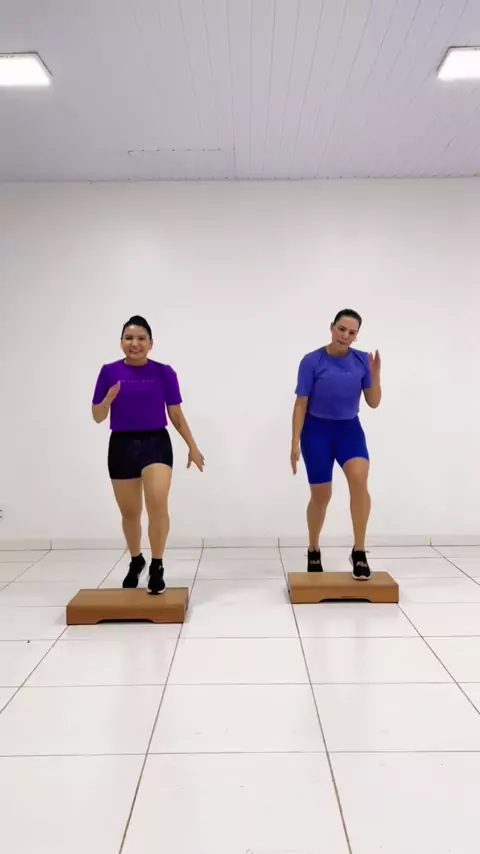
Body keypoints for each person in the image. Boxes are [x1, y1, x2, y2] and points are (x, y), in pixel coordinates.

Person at [92, 315, 204, 594]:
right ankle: (136, 560)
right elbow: (97, 416)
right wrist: (108, 399)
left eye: (141, 338)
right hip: (121, 445)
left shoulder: (164, 372)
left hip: (156, 443)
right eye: (129, 338)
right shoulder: (108, 372)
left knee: (157, 503)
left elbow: (175, 413)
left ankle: (157, 564)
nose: (135, 343)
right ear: (121, 342)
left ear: (151, 343)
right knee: (130, 513)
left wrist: (192, 446)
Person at [290, 309, 381, 580]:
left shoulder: (362, 360)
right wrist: (294, 441)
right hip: (316, 432)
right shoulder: (312, 361)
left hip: (348, 430)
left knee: (359, 479)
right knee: (321, 496)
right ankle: (313, 547)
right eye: (341, 329)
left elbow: (373, 402)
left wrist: (375, 375)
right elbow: (301, 403)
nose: (345, 335)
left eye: (351, 332)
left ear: (356, 336)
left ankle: (359, 551)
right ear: (332, 327)